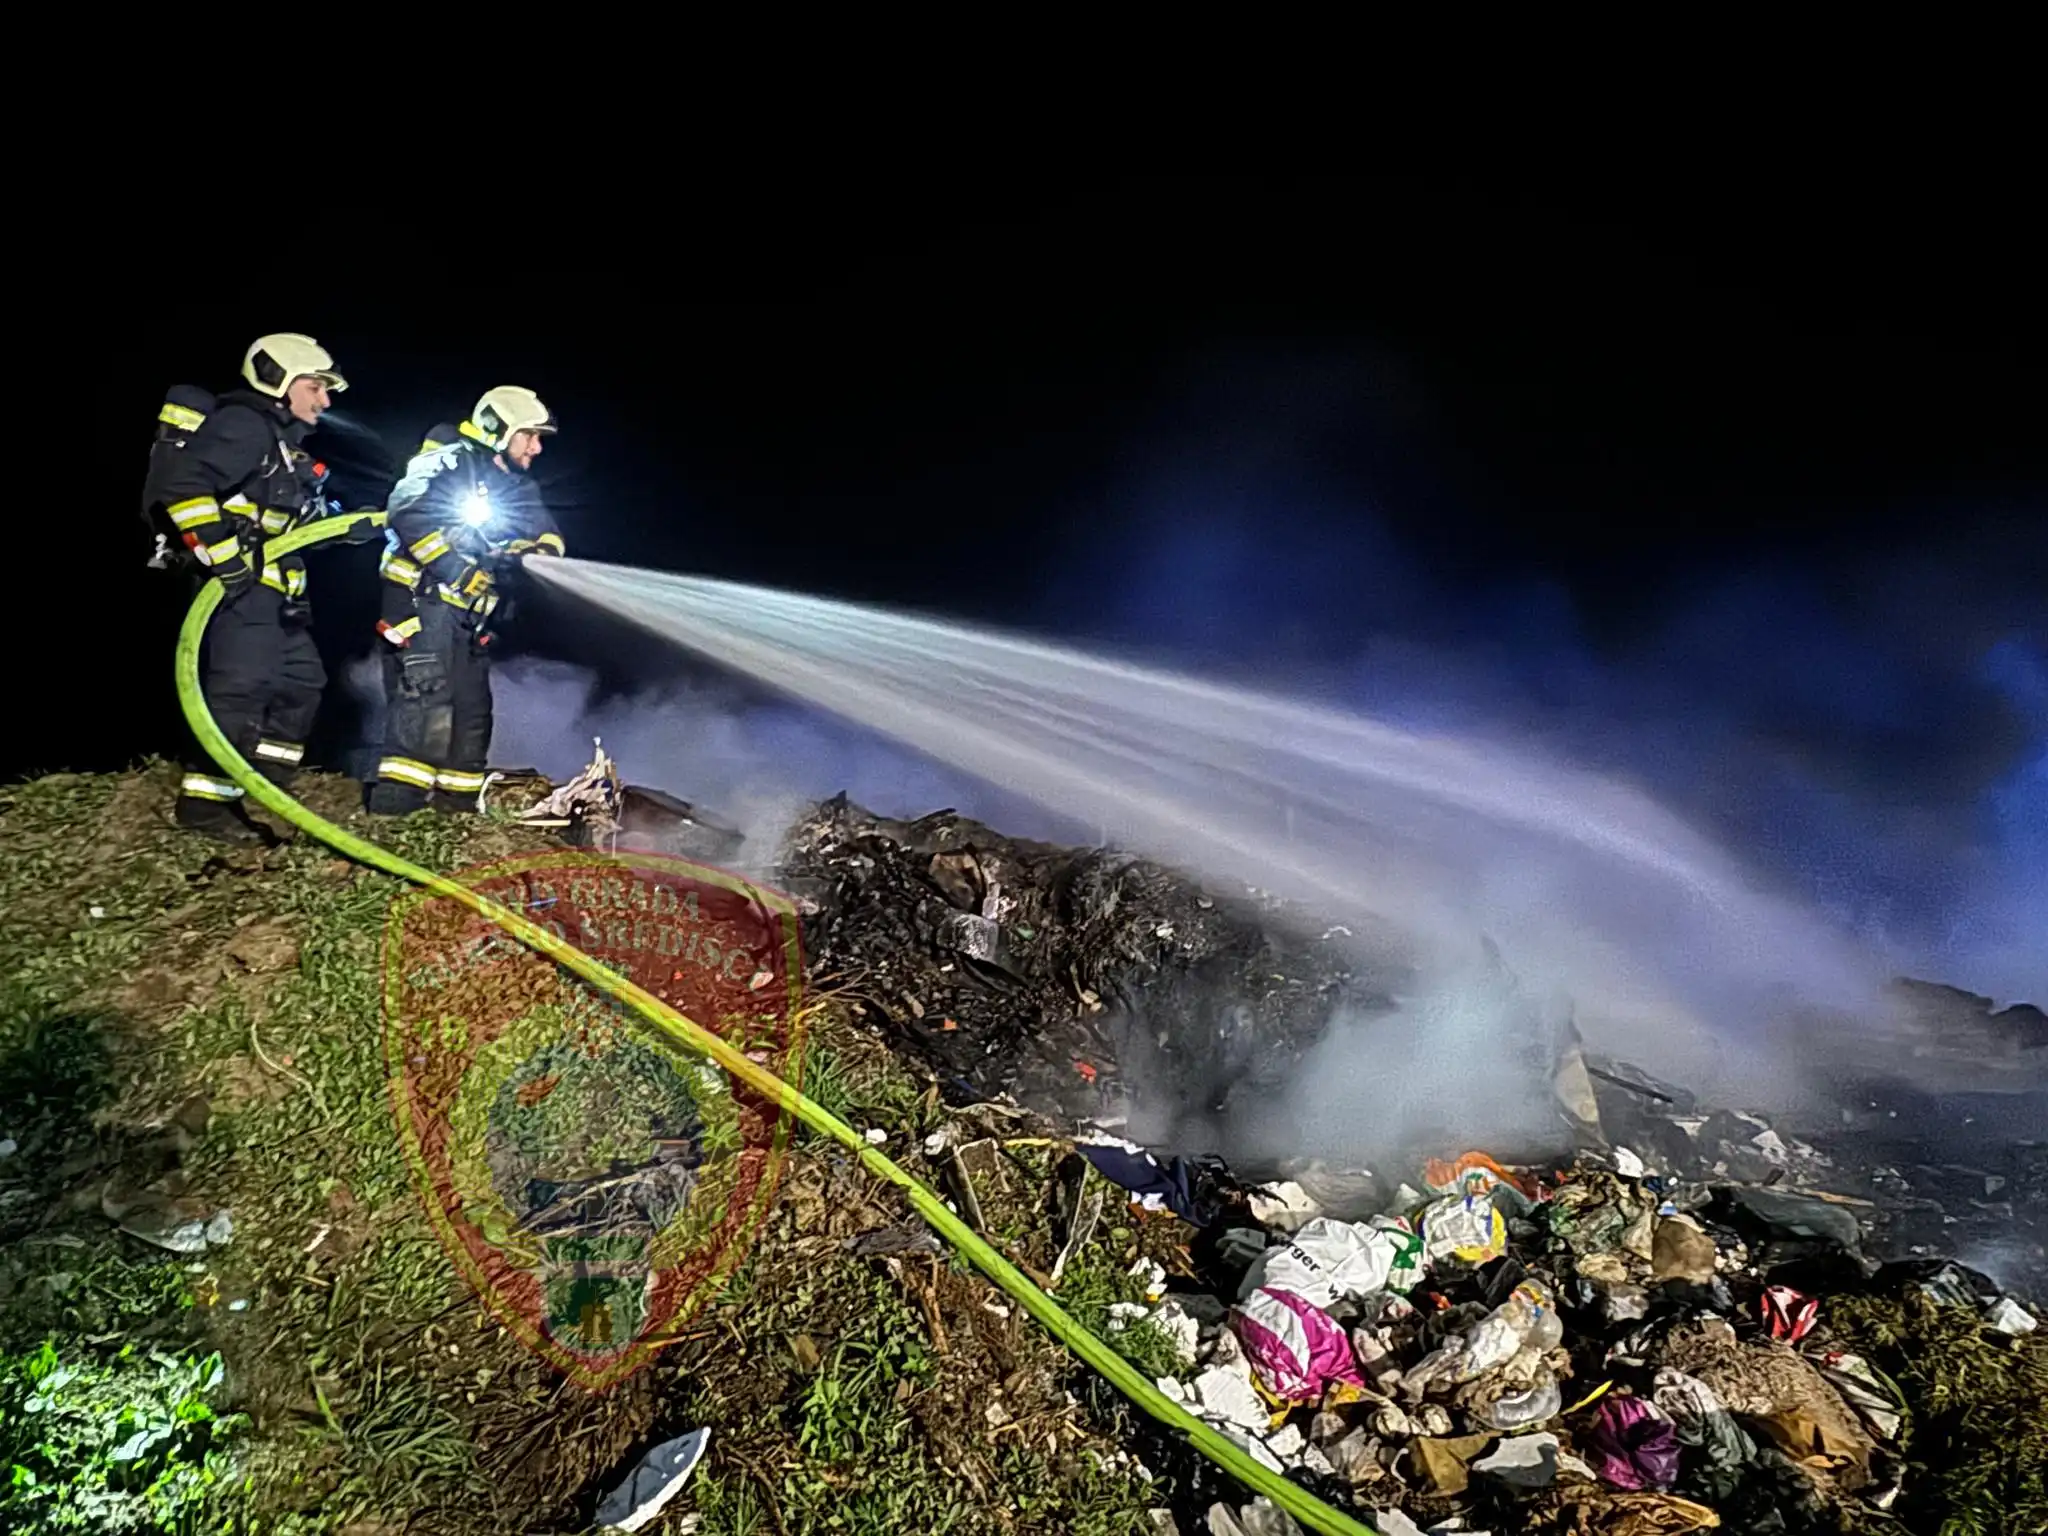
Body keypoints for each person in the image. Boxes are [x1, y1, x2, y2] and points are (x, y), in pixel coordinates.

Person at [157, 333, 353, 842]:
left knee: (302, 683)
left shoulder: (284, 442)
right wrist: (224, 560)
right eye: (315, 387)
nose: (325, 401)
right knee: (241, 688)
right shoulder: (245, 425)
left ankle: (266, 785)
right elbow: (185, 486)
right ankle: (206, 803)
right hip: (239, 590)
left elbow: (288, 520)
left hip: (277, 593)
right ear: (278, 381)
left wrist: (347, 527)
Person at [368, 386, 565, 815]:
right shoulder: (450, 460)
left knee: (473, 710)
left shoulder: (518, 484)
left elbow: (545, 532)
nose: (536, 447)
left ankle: (454, 808)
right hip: (424, 602)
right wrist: (459, 570)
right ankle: (396, 809)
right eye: (529, 435)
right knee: (427, 699)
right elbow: (407, 512)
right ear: (498, 429)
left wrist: (538, 553)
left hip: (471, 617)